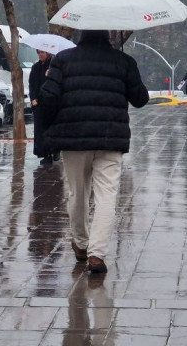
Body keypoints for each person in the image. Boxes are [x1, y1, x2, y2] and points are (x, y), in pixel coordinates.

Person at [39, 30, 149, 274]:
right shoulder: (124, 61)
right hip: (111, 138)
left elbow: (49, 96)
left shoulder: (63, 59)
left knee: (78, 192)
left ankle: (80, 244)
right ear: (109, 36)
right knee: (106, 196)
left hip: (74, 137)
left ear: (82, 35)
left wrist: (49, 130)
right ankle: (97, 254)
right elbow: (140, 98)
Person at [29, 48, 58, 164]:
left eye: (42, 52)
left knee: (50, 129)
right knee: (40, 130)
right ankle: (44, 153)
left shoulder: (53, 67)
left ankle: (53, 151)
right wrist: (33, 99)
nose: (41, 55)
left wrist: (49, 76)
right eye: (39, 52)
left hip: (50, 103)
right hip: (38, 104)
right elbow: (32, 84)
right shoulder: (36, 67)